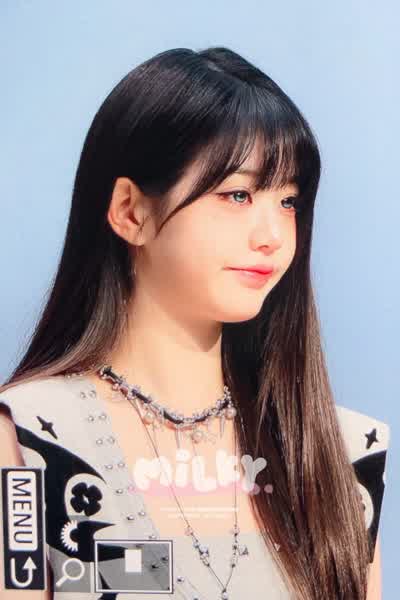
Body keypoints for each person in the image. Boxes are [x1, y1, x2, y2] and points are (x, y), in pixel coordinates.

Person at [0, 46, 390, 600]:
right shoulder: (32, 442)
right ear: (131, 211)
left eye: (288, 201)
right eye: (238, 194)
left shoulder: (338, 455)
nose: (272, 236)